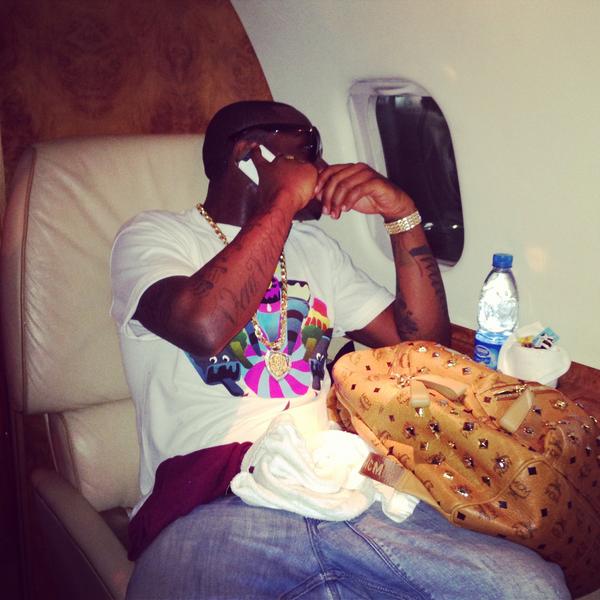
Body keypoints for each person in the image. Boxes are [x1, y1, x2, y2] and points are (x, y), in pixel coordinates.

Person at [111, 101, 569, 599]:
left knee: (533, 587)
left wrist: (402, 215)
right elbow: (203, 325)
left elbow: (423, 347)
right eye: (309, 148)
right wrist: (280, 201)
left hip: (342, 484)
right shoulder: (154, 236)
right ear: (250, 155)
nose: (323, 165)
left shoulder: (316, 250)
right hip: (216, 504)